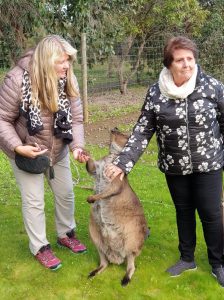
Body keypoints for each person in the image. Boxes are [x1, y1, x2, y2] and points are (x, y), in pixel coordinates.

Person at [105, 36, 224, 287]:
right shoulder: (156, 92)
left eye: (190, 59)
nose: (187, 64)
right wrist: (123, 163)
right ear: (169, 63)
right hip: (175, 166)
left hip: (208, 164)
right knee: (184, 211)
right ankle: (187, 258)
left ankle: (218, 263)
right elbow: (142, 131)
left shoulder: (211, 87)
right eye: (180, 60)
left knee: (212, 214)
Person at [0, 35, 89, 270]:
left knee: (66, 193)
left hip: (58, 150)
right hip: (27, 152)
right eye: (62, 61)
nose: (67, 66)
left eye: (68, 60)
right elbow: (2, 119)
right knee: (34, 201)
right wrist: (18, 147)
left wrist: (77, 146)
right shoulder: (17, 80)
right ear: (47, 60)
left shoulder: (67, 78)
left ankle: (66, 233)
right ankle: (40, 246)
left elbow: (77, 119)